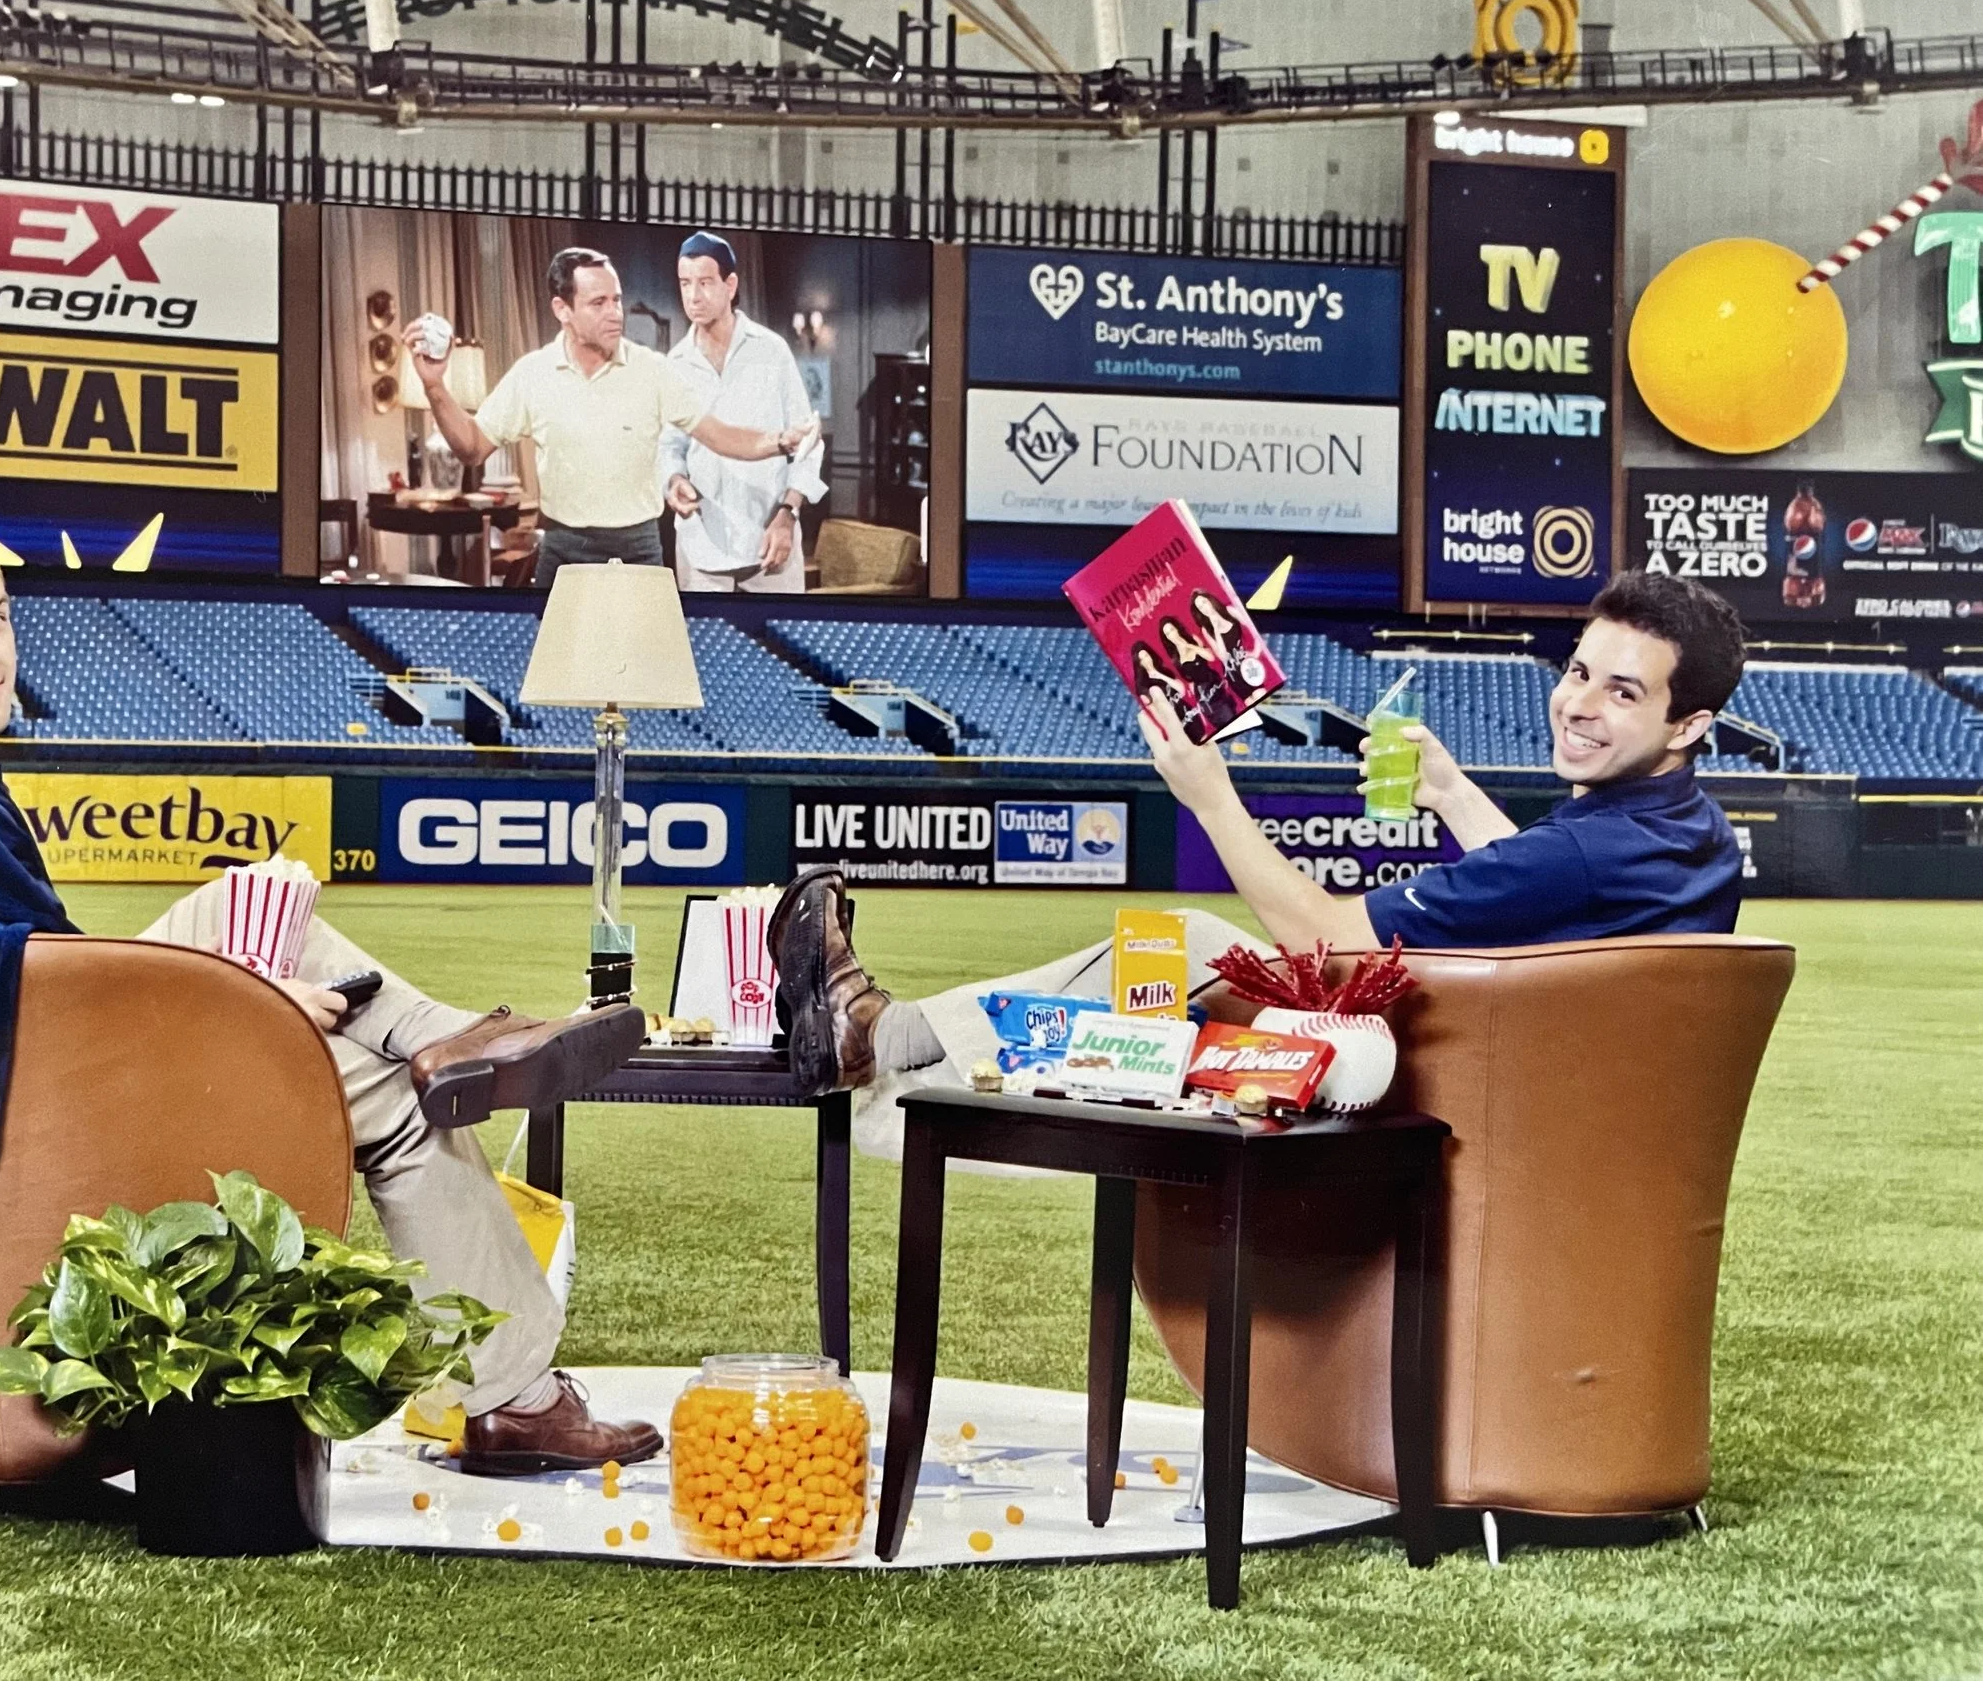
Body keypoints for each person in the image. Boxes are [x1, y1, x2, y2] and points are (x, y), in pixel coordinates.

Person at [0, 508, 661, 1474]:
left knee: (259, 896)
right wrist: (248, 1015)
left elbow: (37, 979)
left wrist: (236, 994)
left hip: (6, 1068)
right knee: (396, 1098)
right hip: (23, 1112)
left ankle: (451, 1039)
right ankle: (515, 1395)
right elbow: (53, 1014)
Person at [772, 571, 1751, 1151]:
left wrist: (1211, 798)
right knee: (1175, 997)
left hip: (1465, 1104)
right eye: (1578, 672)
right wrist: (1449, 792)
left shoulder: (1587, 847)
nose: (1579, 704)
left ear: (1687, 723)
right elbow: (1546, 883)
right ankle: (891, 1055)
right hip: (1568, 1105)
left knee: (1185, 947)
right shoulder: (1689, 835)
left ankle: (889, 1054)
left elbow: (1322, 939)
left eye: (1623, 693)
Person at [406, 248, 815, 589]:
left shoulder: (653, 370)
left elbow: (721, 436)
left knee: (642, 680)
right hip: (564, 550)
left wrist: (779, 441)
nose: (615, 313)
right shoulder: (533, 374)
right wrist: (436, 388)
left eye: (616, 299)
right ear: (562, 309)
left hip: (639, 550)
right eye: (598, 303)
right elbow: (473, 447)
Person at [657, 232, 825, 594]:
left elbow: (809, 443)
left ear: (730, 285)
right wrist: (674, 481)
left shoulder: (772, 352)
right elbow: (668, 447)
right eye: (685, 283)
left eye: (704, 282)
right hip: (701, 548)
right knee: (702, 649)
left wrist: (788, 515)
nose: (693, 295)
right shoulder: (675, 364)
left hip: (770, 545)